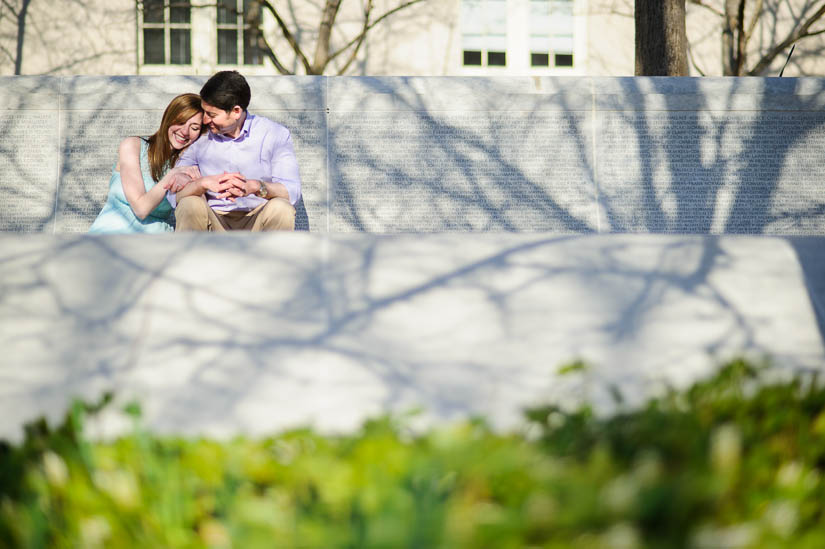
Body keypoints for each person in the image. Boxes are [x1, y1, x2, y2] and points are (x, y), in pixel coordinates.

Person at [169, 70, 301, 232]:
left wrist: (255, 187)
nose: (204, 120)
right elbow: (174, 193)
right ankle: (191, 257)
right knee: (189, 204)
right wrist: (202, 184)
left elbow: (291, 191)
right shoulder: (199, 135)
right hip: (213, 218)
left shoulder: (274, 134)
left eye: (212, 114)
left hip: (258, 218)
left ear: (236, 112)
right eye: (204, 112)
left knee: (282, 208)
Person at [88, 93, 203, 234]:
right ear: (168, 118)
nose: (185, 131)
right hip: (109, 236)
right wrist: (171, 176)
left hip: (154, 243)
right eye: (180, 122)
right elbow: (140, 208)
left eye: (195, 128)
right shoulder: (133, 146)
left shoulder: (187, 166)